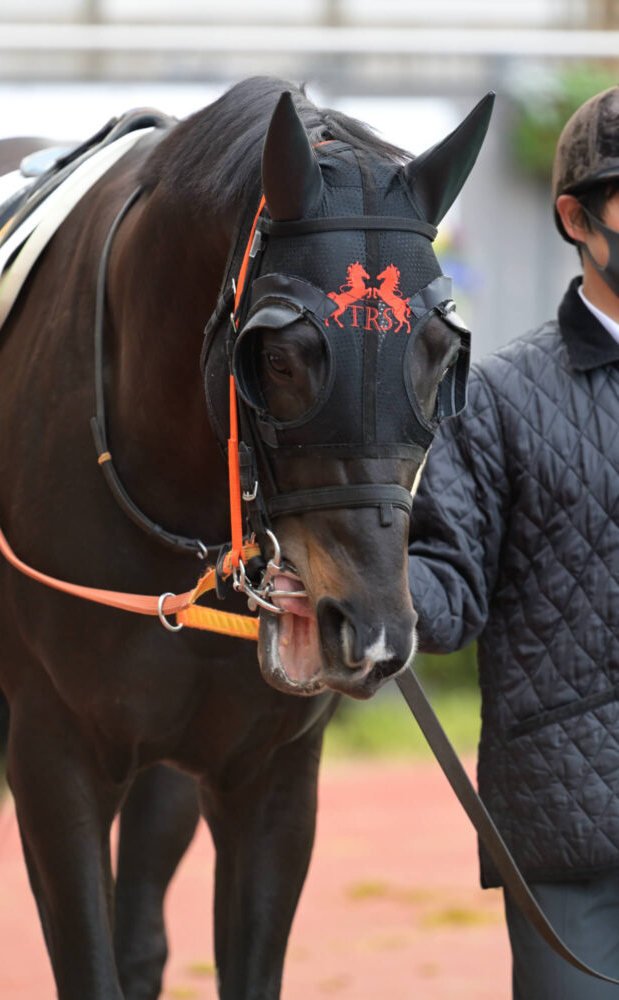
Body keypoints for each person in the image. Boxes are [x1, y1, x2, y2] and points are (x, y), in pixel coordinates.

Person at [407, 86, 619, 999]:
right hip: (567, 829)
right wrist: (352, 581)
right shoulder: (497, 397)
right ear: (577, 217)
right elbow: (446, 586)